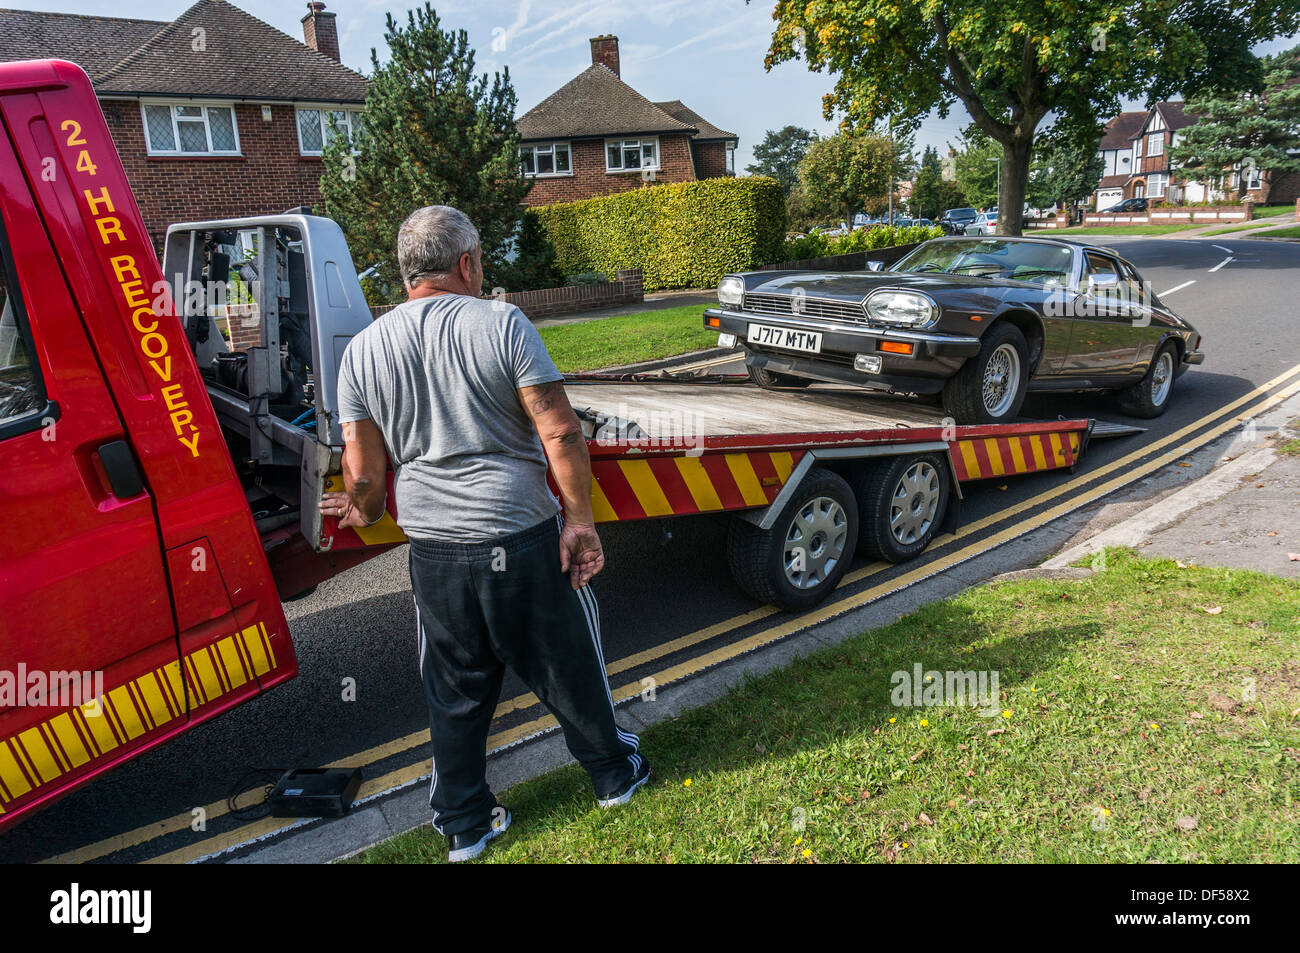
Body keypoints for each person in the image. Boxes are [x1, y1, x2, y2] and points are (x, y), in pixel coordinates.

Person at [319, 205, 649, 862]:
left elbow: (364, 477)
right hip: (519, 532)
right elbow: (559, 429)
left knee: (455, 689)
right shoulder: (501, 322)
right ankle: (614, 776)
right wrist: (579, 521)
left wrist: (352, 505)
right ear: (466, 263)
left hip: (436, 551)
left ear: (407, 270)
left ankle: (466, 825)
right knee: (567, 665)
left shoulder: (361, 350)